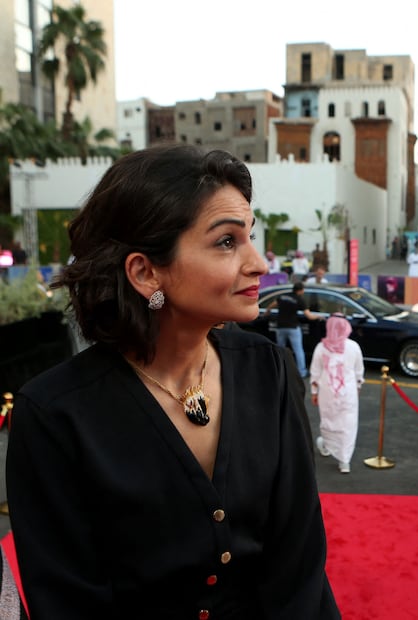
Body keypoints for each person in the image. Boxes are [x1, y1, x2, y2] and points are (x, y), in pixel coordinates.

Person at [5, 145, 340, 618]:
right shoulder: (53, 417)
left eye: (251, 237)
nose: (260, 263)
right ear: (145, 272)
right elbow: (69, 601)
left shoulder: (270, 370)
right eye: (227, 242)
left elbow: (299, 569)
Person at [310, 314, 365, 474]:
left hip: (326, 392)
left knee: (329, 421)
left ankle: (327, 445)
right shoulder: (354, 346)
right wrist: (358, 388)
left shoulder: (321, 347)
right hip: (348, 392)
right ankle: (344, 461)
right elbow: (358, 372)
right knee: (348, 424)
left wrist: (314, 392)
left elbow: (315, 372)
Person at [270, 281, 322, 378]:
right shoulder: (299, 300)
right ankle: (302, 372)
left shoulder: (283, 296)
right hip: (293, 327)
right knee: (298, 350)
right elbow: (309, 316)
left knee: (280, 350)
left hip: (280, 327)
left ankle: (279, 370)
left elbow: (272, 305)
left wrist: (267, 312)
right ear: (301, 290)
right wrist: (319, 316)